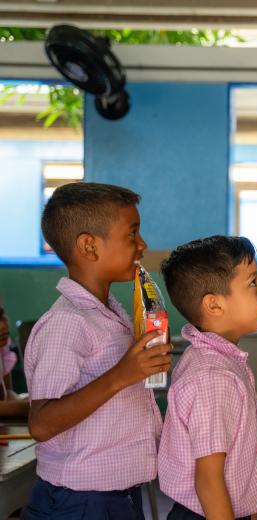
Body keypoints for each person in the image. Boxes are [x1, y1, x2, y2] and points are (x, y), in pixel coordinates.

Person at [23, 182, 172, 519]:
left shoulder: (111, 311)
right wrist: (122, 375)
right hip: (78, 502)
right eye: (132, 234)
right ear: (89, 246)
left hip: (116, 494)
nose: (142, 244)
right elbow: (42, 424)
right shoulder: (67, 322)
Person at [158, 235, 257, 520]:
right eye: (252, 283)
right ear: (213, 305)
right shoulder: (213, 377)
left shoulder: (219, 360)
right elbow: (209, 481)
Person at [0, 301, 29, 417]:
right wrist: (33, 407)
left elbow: (6, 394)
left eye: (1, 315)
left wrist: (21, 399)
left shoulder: (2, 351)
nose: (2, 326)